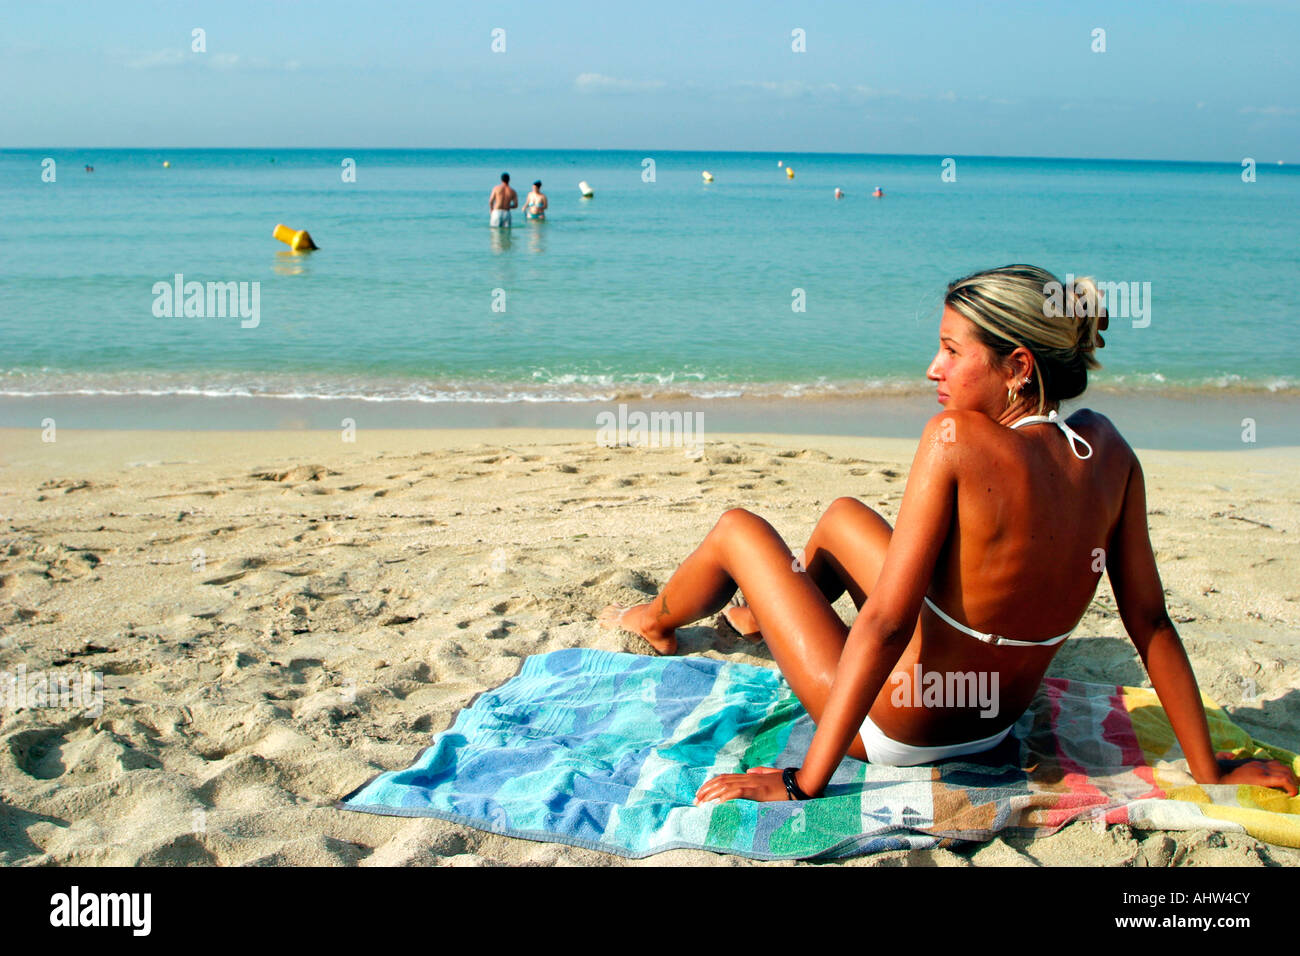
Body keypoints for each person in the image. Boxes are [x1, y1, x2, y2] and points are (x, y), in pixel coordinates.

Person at [599, 264, 1299, 803]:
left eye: (950, 351)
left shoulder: (955, 439)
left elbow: (884, 623)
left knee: (739, 530)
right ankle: (762, 615)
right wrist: (1211, 770)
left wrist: (803, 783)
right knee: (843, 515)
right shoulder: (1110, 451)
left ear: (1019, 366)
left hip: (897, 728)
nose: (933, 369)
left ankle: (658, 619)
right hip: (994, 722)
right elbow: (1150, 621)